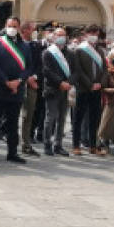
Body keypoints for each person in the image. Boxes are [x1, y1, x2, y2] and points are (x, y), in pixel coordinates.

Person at [0, 17, 29, 163]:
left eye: (15, 26)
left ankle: (12, 153)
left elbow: (28, 67)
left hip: (16, 90)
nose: (12, 28)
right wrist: (6, 81)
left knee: (12, 124)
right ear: (5, 26)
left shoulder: (25, 46)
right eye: (9, 25)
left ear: (19, 28)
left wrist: (19, 81)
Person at [72, 25, 106, 155]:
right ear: (85, 34)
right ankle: (76, 145)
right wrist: (90, 84)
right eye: (91, 33)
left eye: (96, 33)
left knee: (95, 118)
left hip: (97, 89)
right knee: (78, 118)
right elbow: (78, 70)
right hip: (83, 88)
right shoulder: (79, 50)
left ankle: (93, 145)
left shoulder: (100, 51)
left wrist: (100, 84)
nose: (94, 36)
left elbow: (105, 70)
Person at [41, 27, 73, 156]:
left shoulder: (70, 53)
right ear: (53, 37)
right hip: (53, 90)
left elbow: (76, 71)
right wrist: (60, 83)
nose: (61, 37)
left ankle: (58, 145)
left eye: (64, 35)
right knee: (51, 118)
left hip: (65, 91)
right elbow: (47, 71)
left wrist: (69, 83)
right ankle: (47, 143)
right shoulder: (48, 53)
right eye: (59, 35)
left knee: (62, 119)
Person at [18, 21, 43, 157]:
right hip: (18, 82)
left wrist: (34, 77)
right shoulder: (16, 44)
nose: (35, 31)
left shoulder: (35, 45)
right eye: (33, 29)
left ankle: (25, 144)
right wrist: (28, 78)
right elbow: (17, 63)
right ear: (25, 30)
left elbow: (38, 64)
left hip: (32, 84)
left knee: (28, 115)